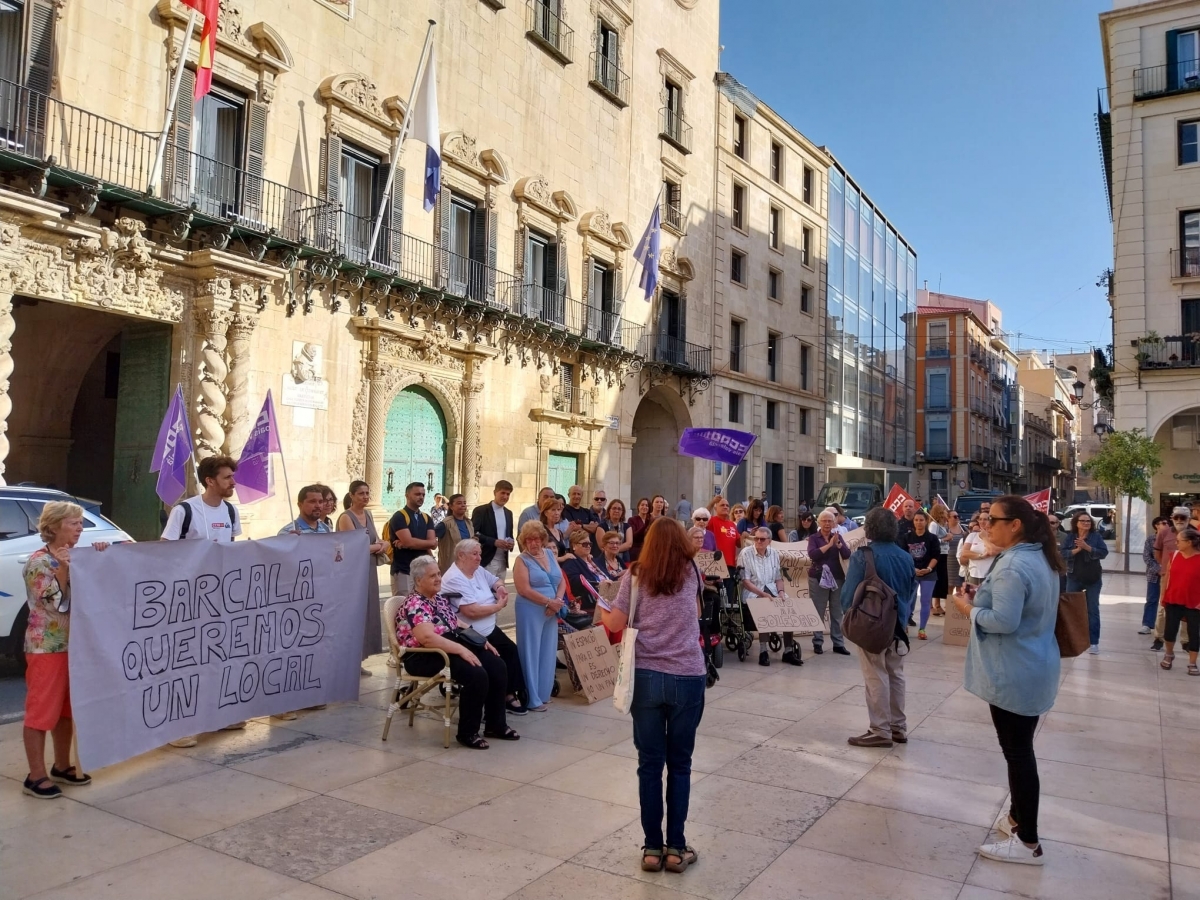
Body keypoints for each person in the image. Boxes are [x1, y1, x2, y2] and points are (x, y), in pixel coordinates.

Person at [951, 495, 1063, 866]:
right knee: (1019, 750)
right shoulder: (1037, 556)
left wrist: (968, 608)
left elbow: (1004, 621)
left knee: (1018, 755)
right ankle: (1016, 818)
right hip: (1032, 666)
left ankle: (1028, 842)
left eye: (993, 519)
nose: (985, 525)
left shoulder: (1014, 564)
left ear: (1014, 525)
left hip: (1015, 672)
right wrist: (981, 598)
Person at [600, 518, 706, 875]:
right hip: (687, 674)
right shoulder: (692, 570)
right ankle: (675, 848)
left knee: (649, 763)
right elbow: (697, 612)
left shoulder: (635, 575)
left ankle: (651, 848)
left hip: (645, 675)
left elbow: (615, 624)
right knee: (680, 763)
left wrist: (602, 605)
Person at [21, 501, 108, 798]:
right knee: (41, 711)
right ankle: (35, 776)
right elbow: (56, 604)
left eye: (80, 523)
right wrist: (62, 570)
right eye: (73, 523)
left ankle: (61, 765)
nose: (80, 528)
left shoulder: (76, 557)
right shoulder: (39, 562)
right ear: (55, 526)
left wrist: (100, 556)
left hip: (74, 645)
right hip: (46, 647)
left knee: (66, 710)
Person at [162, 455, 248, 744]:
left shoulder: (231, 511)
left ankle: (219, 715)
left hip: (221, 597)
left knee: (218, 656)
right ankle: (179, 727)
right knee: (186, 661)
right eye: (227, 477)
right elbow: (165, 550)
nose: (233, 482)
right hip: (188, 598)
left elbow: (231, 548)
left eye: (233, 477)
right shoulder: (184, 511)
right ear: (210, 481)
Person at [396, 555, 517, 748]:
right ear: (418, 580)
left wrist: (480, 640)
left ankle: (495, 724)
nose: (438, 579)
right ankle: (468, 733)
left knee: (497, 665)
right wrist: (461, 650)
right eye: (432, 576)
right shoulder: (416, 604)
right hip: (423, 655)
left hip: (447, 646)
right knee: (476, 674)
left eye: (438, 574)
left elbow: (456, 622)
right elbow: (427, 638)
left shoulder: (437, 597)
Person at [840, 507, 917, 748]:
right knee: (896, 674)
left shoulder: (863, 556)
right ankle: (898, 727)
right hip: (898, 625)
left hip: (872, 624)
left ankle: (880, 729)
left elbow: (848, 595)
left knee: (875, 674)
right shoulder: (906, 557)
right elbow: (910, 591)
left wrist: (850, 616)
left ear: (869, 528)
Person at [441, 539, 525, 715]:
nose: (479, 558)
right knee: (495, 663)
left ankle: (509, 693)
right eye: (475, 554)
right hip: (470, 634)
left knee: (511, 651)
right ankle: (499, 701)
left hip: (488, 628)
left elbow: (495, 580)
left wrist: (500, 588)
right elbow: (471, 611)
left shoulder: (476, 569)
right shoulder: (455, 578)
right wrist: (498, 606)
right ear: (461, 556)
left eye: (479, 553)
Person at [512, 520, 566, 711]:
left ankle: (544, 693)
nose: (533, 543)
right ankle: (531, 698)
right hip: (530, 609)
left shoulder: (549, 554)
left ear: (543, 539)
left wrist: (557, 601)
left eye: (536, 539)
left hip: (551, 609)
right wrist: (549, 602)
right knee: (530, 653)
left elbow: (561, 581)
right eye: (529, 540)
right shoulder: (522, 560)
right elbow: (523, 589)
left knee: (548, 652)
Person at [336, 480, 388, 673]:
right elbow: (354, 546)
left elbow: (375, 540)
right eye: (361, 493)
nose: (365, 497)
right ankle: (347, 661)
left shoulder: (368, 514)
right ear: (352, 495)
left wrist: (382, 544)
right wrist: (377, 546)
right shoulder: (346, 517)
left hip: (370, 568)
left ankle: (358, 661)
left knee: (368, 613)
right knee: (354, 615)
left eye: (367, 493)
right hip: (353, 572)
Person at [739, 526, 799, 666]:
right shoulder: (746, 553)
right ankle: (763, 650)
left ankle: (788, 650)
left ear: (769, 541)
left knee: (787, 606)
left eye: (762, 539)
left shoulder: (774, 553)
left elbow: (778, 578)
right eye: (756, 538)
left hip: (772, 589)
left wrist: (781, 592)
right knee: (764, 607)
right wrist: (762, 594)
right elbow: (746, 582)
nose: (759, 541)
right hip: (754, 591)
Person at [1061, 510, 1109, 655]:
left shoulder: (1096, 536)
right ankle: (1071, 640)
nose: (1086, 523)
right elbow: (1062, 554)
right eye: (1083, 521)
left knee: (1092, 610)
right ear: (1076, 523)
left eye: (1088, 521)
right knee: (1071, 609)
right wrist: (1077, 550)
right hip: (1074, 577)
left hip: (1093, 579)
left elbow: (1104, 553)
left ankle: (1093, 642)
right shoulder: (1070, 537)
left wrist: (1087, 547)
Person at [807, 510, 851, 656]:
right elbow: (813, 554)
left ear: (834, 523)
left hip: (837, 578)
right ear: (819, 522)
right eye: (824, 521)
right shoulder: (814, 538)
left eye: (830, 521)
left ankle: (838, 643)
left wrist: (838, 545)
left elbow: (847, 554)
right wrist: (828, 545)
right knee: (818, 610)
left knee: (837, 612)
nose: (827, 523)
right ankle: (817, 642)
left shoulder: (837, 536)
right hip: (818, 578)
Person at [1160, 528, 1200, 674]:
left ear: (1189, 542)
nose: (1176, 543)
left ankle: (1192, 662)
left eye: (1178, 541)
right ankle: (1169, 654)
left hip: (1194, 602)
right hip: (1173, 598)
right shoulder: (1175, 555)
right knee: (1170, 630)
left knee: (1193, 633)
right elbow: (1167, 577)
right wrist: (1163, 596)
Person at [1152, 507, 1193, 650]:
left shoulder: (1195, 535)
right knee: (1163, 607)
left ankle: (1185, 640)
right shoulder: (1164, 533)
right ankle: (1159, 638)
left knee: (1188, 607)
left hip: (1189, 578)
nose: (1179, 520)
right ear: (1172, 518)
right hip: (1168, 576)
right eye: (1176, 517)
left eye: (1183, 517)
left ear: (1189, 519)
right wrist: (1165, 568)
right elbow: (1157, 553)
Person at [388, 482, 436, 596]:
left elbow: (433, 544)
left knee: (423, 604)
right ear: (407, 496)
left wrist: (409, 543)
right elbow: (409, 542)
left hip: (423, 571)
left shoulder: (427, 518)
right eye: (417, 494)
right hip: (404, 570)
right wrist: (410, 543)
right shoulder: (399, 516)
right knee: (404, 603)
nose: (421, 497)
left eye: (423, 495)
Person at [905, 510, 941, 640]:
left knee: (925, 601)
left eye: (921, 520)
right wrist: (914, 569)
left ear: (926, 522)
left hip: (929, 573)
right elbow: (904, 555)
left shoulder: (932, 538)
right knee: (908, 600)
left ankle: (922, 629)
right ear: (913, 522)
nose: (919, 522)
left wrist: (929, 568)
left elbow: (936, 555)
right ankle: (904, 625)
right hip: (911, 572)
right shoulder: (906, 537)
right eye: (916, 520)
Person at [561, 529, 609, 624]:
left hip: (607, 598)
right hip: (591, 603)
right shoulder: (570, 563)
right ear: (574, 546)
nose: (588, 546)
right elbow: (576, 582)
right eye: (584, 544)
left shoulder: (593, 561)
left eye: (589, 544)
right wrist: (599, 584)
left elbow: (608, 576)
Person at [471, 480, 516, 581]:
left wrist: (511, 543)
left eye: (508, 494)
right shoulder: (481, 511)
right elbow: (474, 533)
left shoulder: (509, 513)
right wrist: (494, 542)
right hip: (486, 560)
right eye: (502, 493)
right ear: (495, 492)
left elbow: (509, 534)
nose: (505, 496)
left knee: (500, 590)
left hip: (503, 562)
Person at [434, 493, 475, 573]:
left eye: (464, 503)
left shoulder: (469, 523)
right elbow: (431, 536)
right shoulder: (446, 523)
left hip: (467, 566)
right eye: (459, 503)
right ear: (451, 506)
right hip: (450, 567)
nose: (463, 505)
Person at [1142, 516, 1169, 635]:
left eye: (1167, 523)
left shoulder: (1172, 538)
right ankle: (1147, 625)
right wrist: (1159, 569)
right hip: (1154, 574)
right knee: (1152, 599)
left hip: (1169, 574)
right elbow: (1147, 557)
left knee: (1168, 601)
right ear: (1156, 526)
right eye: (1163, 523)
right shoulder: (1150, 539)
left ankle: (1167, 626)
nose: (1166, 525)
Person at [959, 512, 998, 586]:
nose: (982, 522)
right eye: (980, 519)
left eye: (985, 519)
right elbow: (964, 553)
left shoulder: (996, 536)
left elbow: (993, 551)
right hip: (973, 575)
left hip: (990, 575)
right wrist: (981, 556)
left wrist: (984, 537)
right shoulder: (972, 535)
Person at [929, 504, 950, 617]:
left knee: (942, 580)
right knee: (937, 579)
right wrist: (945, 539)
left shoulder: (943, 525)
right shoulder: (933, 524)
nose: (947, 513)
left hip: (944, 554)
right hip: (938, 555)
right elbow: (932, 539)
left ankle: (938, 604)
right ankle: (933, 605)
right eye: (945, 511)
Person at [539, 495, 571, 560]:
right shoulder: (541, 531)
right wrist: (563, 558)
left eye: (558, 510)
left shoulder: (559, 532)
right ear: (545, 513)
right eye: (553, 510)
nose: (557, 513)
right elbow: (541, 556)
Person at [945, 510, 969, 592]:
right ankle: (949, 601)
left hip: (960, 560)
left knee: (960, 585)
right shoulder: (945, 529)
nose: (957, 518)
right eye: (955, 517)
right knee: (949, 585)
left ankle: (958, 600)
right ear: (948, 518)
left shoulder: (964, 528)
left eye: (958, 516)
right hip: (949, 561)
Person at [629, 497, 653, 563]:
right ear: (638, 507)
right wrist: (646, 525)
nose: (644, 507)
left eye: (647, 505)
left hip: (649, 549)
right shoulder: (632, 520)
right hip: (636, 549)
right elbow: (634, 536)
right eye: (642, 505)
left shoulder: (651, 520)